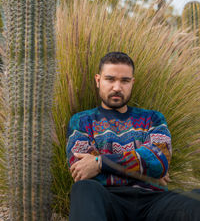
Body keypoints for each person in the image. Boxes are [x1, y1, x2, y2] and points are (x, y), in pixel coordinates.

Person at [66, 52, 200, 221]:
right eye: (110, 79)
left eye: (125, 81)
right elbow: (81, 170)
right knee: (84, 188)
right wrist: (146, 171)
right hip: (107, 199)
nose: (117, 87)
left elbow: (159, 161)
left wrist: (100, 162)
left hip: (153, 201)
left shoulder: (153, 118)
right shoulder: (81, 121)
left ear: (132, 82)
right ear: (98, 80)